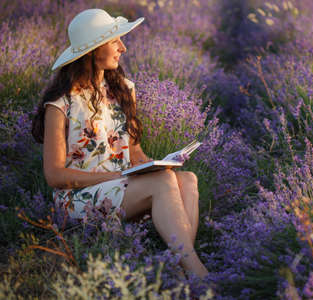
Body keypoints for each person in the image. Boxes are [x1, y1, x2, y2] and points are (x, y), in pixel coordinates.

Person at [31, 8, 209, 279]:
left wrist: (158, 165)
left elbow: (134, 153)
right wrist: (117, 176)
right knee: (163, 184)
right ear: (93, 50)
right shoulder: (61, 104)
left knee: (186, 179)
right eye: (115, 41)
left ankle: (183, 268)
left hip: (122, 186)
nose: (123, 48)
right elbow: (54, 175)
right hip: (77, 199)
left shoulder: (123, 90)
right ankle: (198, 275)